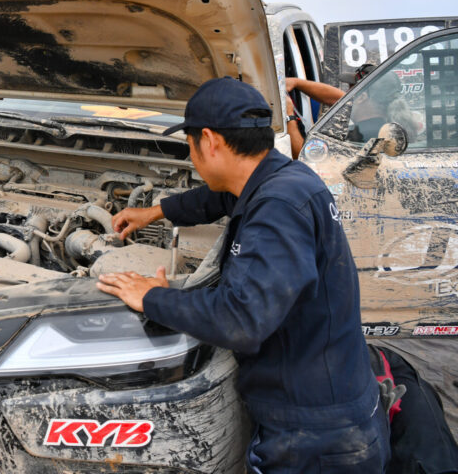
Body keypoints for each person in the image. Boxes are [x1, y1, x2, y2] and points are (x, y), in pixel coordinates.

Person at [97, 77, 389, 473]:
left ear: (210, 141)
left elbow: (240, 319)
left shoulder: (279, 208)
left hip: (317, 437)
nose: (192, 156)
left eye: (189, 146)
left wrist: (152, 296)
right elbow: (219, 195)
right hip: (325, 401)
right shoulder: (279, 178)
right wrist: (156, 211)